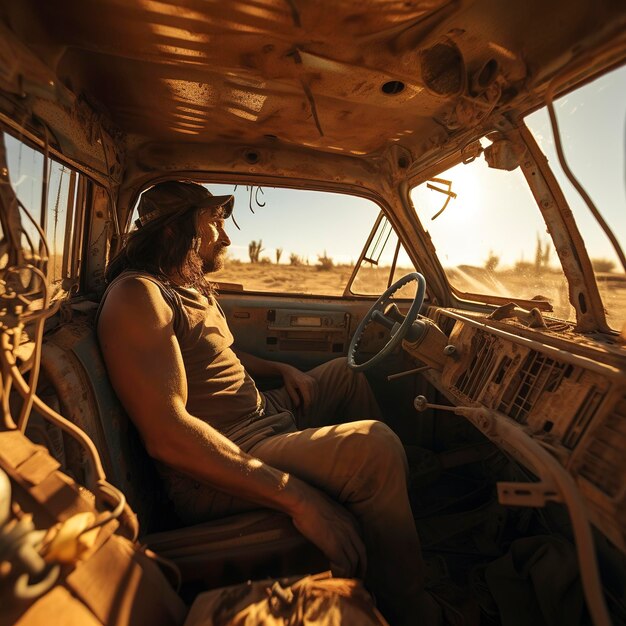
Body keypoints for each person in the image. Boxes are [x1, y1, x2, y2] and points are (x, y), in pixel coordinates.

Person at [97, 180, 438, 626]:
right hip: (226, 454)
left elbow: (221, 357)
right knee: (374, 448)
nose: (226, 237)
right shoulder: (138, 296)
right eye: (213, 225)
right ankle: (411, 607)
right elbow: (167, 435)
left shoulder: (185, 286)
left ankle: (394, 492)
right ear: (171, 232)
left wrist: (281, 370)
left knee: (343, 375)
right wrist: (299, 500)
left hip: (263, 415)